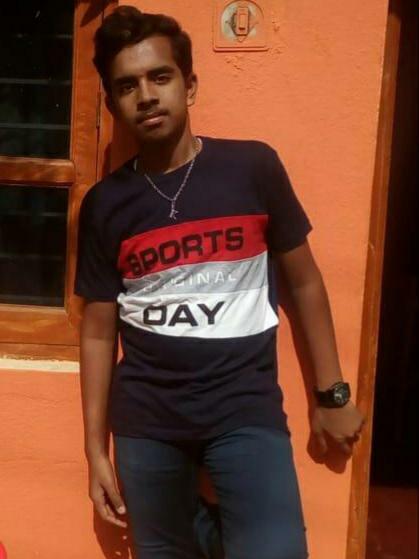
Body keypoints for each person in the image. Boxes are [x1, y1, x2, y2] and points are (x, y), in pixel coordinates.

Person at [75, 6, 365, 559]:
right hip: (147, 426)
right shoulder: (105, 204)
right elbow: (97, 330)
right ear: (112, 104)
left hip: (245, 413)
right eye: (128, 85)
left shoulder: (252, 168)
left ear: (190, 85)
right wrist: (96, 450)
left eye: (160, 77)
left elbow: (304, 283)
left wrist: (331, 395)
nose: (146, 96)